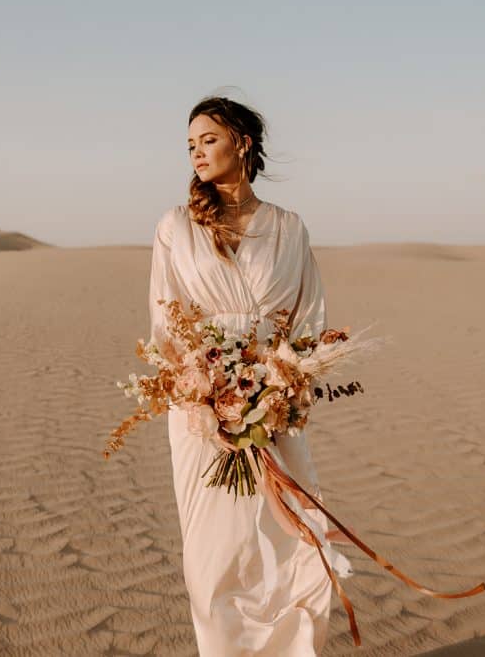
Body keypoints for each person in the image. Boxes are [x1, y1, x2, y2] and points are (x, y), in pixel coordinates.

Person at [148, 96, 344, 656]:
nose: (196, 153)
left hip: (275, 407)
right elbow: (167, 321)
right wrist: (202, 396)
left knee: (291, 542)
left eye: (207, 139)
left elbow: (309, 320)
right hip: (200, 414)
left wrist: (283, 384)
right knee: (214, 555)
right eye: (190, 145)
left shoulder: (289, 228)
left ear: (243, 143)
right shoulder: (175, 226)